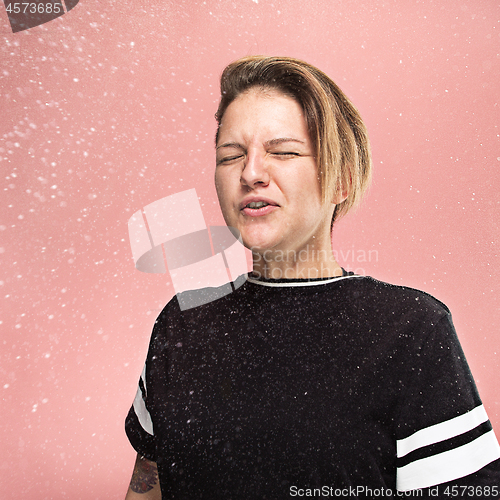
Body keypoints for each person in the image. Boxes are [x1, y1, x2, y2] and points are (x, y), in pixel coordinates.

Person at [124, 56, 500, 499]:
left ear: (341, 178)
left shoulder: (411, 329)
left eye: (282, 152)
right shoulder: (180, 325)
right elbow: (147, 483)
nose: (251, 173)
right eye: (231, 156)